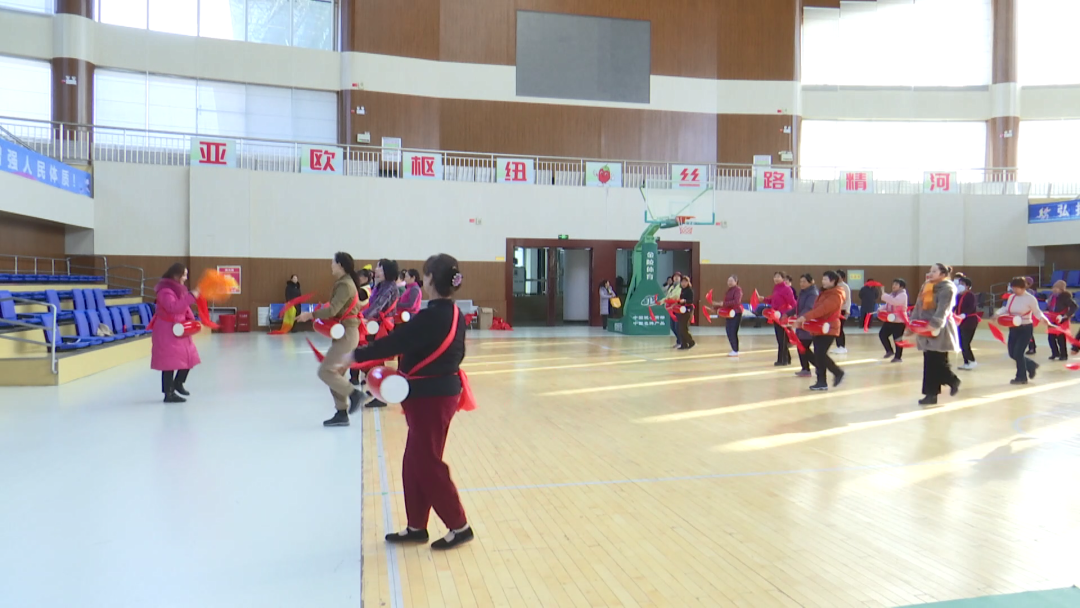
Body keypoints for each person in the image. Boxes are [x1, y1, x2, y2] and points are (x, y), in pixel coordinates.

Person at [341, 253, 474, 550]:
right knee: (414, 460)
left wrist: (355, 355)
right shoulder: (453, 314)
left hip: (432, 397)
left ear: (429, 279)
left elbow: (396, 342)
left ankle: (459, 525)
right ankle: (416, 526)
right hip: (434, 394)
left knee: (426, 462)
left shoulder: (433, 316)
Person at [296, 252, 365, 427]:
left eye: (333, 262)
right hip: (345, 333)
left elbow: (333, 310)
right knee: (336, 374)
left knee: (325, 371)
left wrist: (310, 315)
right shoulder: (346, 283)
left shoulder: (345, 285)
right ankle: (342, 413)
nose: (331, 266)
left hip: (347, 334)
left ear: (340, 265)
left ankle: (355, 394)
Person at [909, 263, 961, 406]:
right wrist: (912, 322)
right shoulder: (927, 286)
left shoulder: (948, 288)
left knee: (937, 361)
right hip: (924, 327)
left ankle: (950, 381)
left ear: (943, 274)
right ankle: (933, 393)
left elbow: (943, 309)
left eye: (934, 271)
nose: (930, 273)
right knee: (930, 361)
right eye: (930, 271)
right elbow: (918, 305)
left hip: (940, 328)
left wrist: (934, 324)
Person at [151, 263, 201, 403]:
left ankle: (178, 382)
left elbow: (184, 307)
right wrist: (191, 296)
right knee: (169, 362)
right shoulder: (165, 291)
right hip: (167, 330)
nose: (186, 278)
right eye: (184, 275)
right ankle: (169, 393)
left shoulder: (178, 290)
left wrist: (191, 319)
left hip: (179, 328)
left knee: (189, 357)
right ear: (176, 275)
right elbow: (173, 307)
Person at [354, 259, 402, 404]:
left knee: (376, 359)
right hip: (375, 325)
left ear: (386, 271)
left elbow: (377, 306)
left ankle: (381, 393)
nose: (376, 270)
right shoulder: (381, 285)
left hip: (380, 326)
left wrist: (362, 317)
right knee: (374, 358)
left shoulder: (389, 287)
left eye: (379, 267)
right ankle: (376, 387)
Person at [795, 271, 845, 390]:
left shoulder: (836, 295)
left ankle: (836, 373)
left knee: (820, 354)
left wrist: (805, 317)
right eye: (823, 279)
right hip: (819, 327)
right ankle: (822, 381)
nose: (823, 281)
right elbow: (817, 309)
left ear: (833, 281)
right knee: (818, 355)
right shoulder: (824, 293)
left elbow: (822, 309)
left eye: (826, 279)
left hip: (829, 328)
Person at [996, 276, 1050, 385]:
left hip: (1025, 328)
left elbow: (1037, 312)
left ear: (1023, 287)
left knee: (1018, 353)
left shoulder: (1030, 299)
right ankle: (1031, 365)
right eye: (1013, 288)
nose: (1015, 290)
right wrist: (997, 313)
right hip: (1013, 327)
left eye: (1017, 288)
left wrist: (1043, 319)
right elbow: (1006, 309)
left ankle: (1021, 377)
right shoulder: (1012, 297)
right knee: (1012, 353)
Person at [763, 271, 796, 366]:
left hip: (783, 316)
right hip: (776, 316)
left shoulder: (787, 289)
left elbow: (793, 303)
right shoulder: (776, 288)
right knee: (781, 339)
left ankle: (783, 360)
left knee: (782, 339)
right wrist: (763, 299)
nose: (776, 278)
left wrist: (792, 314)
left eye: (778, 277)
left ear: (783, 278)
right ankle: (786, 359)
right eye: (775, 276)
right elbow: (773, 301)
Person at [794, 273, 819, 378]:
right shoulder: (803, 292)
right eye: (801, 281)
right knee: (801, 347)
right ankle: (806, 368)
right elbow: (797, 307)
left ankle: (818, 366)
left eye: (804, 281)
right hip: (802, 324)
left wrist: (800, 318)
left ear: (811, 282)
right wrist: (788, 313)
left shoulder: (813, 293)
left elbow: (809, 308)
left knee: (803, 347)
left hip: (808, 325)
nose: (802, 284)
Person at [1047, 280, 1077, 361]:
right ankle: (1055, 353)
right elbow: (1049, 306)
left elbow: (1074, 306)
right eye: (1054, 287)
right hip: (1052, 319)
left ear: (1061, 289)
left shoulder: (1065, 296)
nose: (1055, 289)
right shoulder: (1051, 296)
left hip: (1061, 319)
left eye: (1057, 288)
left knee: (1061, 339)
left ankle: (1063, 355)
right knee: (1051, 338)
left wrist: (1065, 316)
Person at [879, 279, 908, 363]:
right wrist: (880, 309)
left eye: (896, 284)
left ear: (901, 287)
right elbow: (888, 305)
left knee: (897, 339)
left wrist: (884, 294)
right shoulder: (892, 294)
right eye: (893, 284)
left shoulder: (903, 295)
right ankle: (889, 351)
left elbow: (894, 302)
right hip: (890, 319)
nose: (893, 286)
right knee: (882, 334)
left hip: (899, 321)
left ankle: (898, 357)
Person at [954, 274, 979, 370]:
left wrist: (964, 314)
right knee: (961, 343)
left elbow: (971, 307)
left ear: (967, 286)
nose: (960, 285)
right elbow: (955, 306)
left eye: (962, 284)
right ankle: (966, 362)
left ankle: (972, 360)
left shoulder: (970, 295)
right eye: (959, 283)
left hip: (970, 322)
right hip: (960, 322)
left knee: (966, 343)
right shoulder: (958, 296)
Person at [721, 275, 743, 356]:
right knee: (728, 331)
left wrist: (723, 304)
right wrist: (717, 307)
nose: (729, 282)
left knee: (733, 331)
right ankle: (734, 349)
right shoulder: (728, 291)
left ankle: (735, 350)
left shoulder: (738, 290)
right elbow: (725, 303)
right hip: (729, 313)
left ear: (736, 282)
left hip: (736, 313)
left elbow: (736, 302)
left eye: (731, 281)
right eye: (728, 281)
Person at [832, 270, 852, 354]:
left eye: (839, 276)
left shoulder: (845, 286)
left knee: (840, 328)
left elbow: (848, 300)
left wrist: (847, 310)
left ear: (842, 278)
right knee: (836, 328)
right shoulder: (834, 285)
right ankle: (838, 346)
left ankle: (842, 346)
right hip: (835, 310)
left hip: (843, 310)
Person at [675, 275, 695, 350]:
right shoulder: (680, 290)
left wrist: (685, 301)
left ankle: (691, 341)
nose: (683, 283)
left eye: (685, 282)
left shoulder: (689, 290)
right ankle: (684, 344)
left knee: (683, 328)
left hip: (687, 310)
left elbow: (691, 301)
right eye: (682, 282)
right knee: (680, 328)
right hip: (680, 310)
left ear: (688, 282)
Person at [666, 272, 683, 348]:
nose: (676, 278)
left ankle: (681, 341)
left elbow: (677, 296)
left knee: (677, 326)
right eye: (675, 276)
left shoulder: (681, 287)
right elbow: (668, 296)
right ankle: (680, 341)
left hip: (678, 308)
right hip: (671, 309)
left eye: (678, 277)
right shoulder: (671, 287)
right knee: (672, 326)